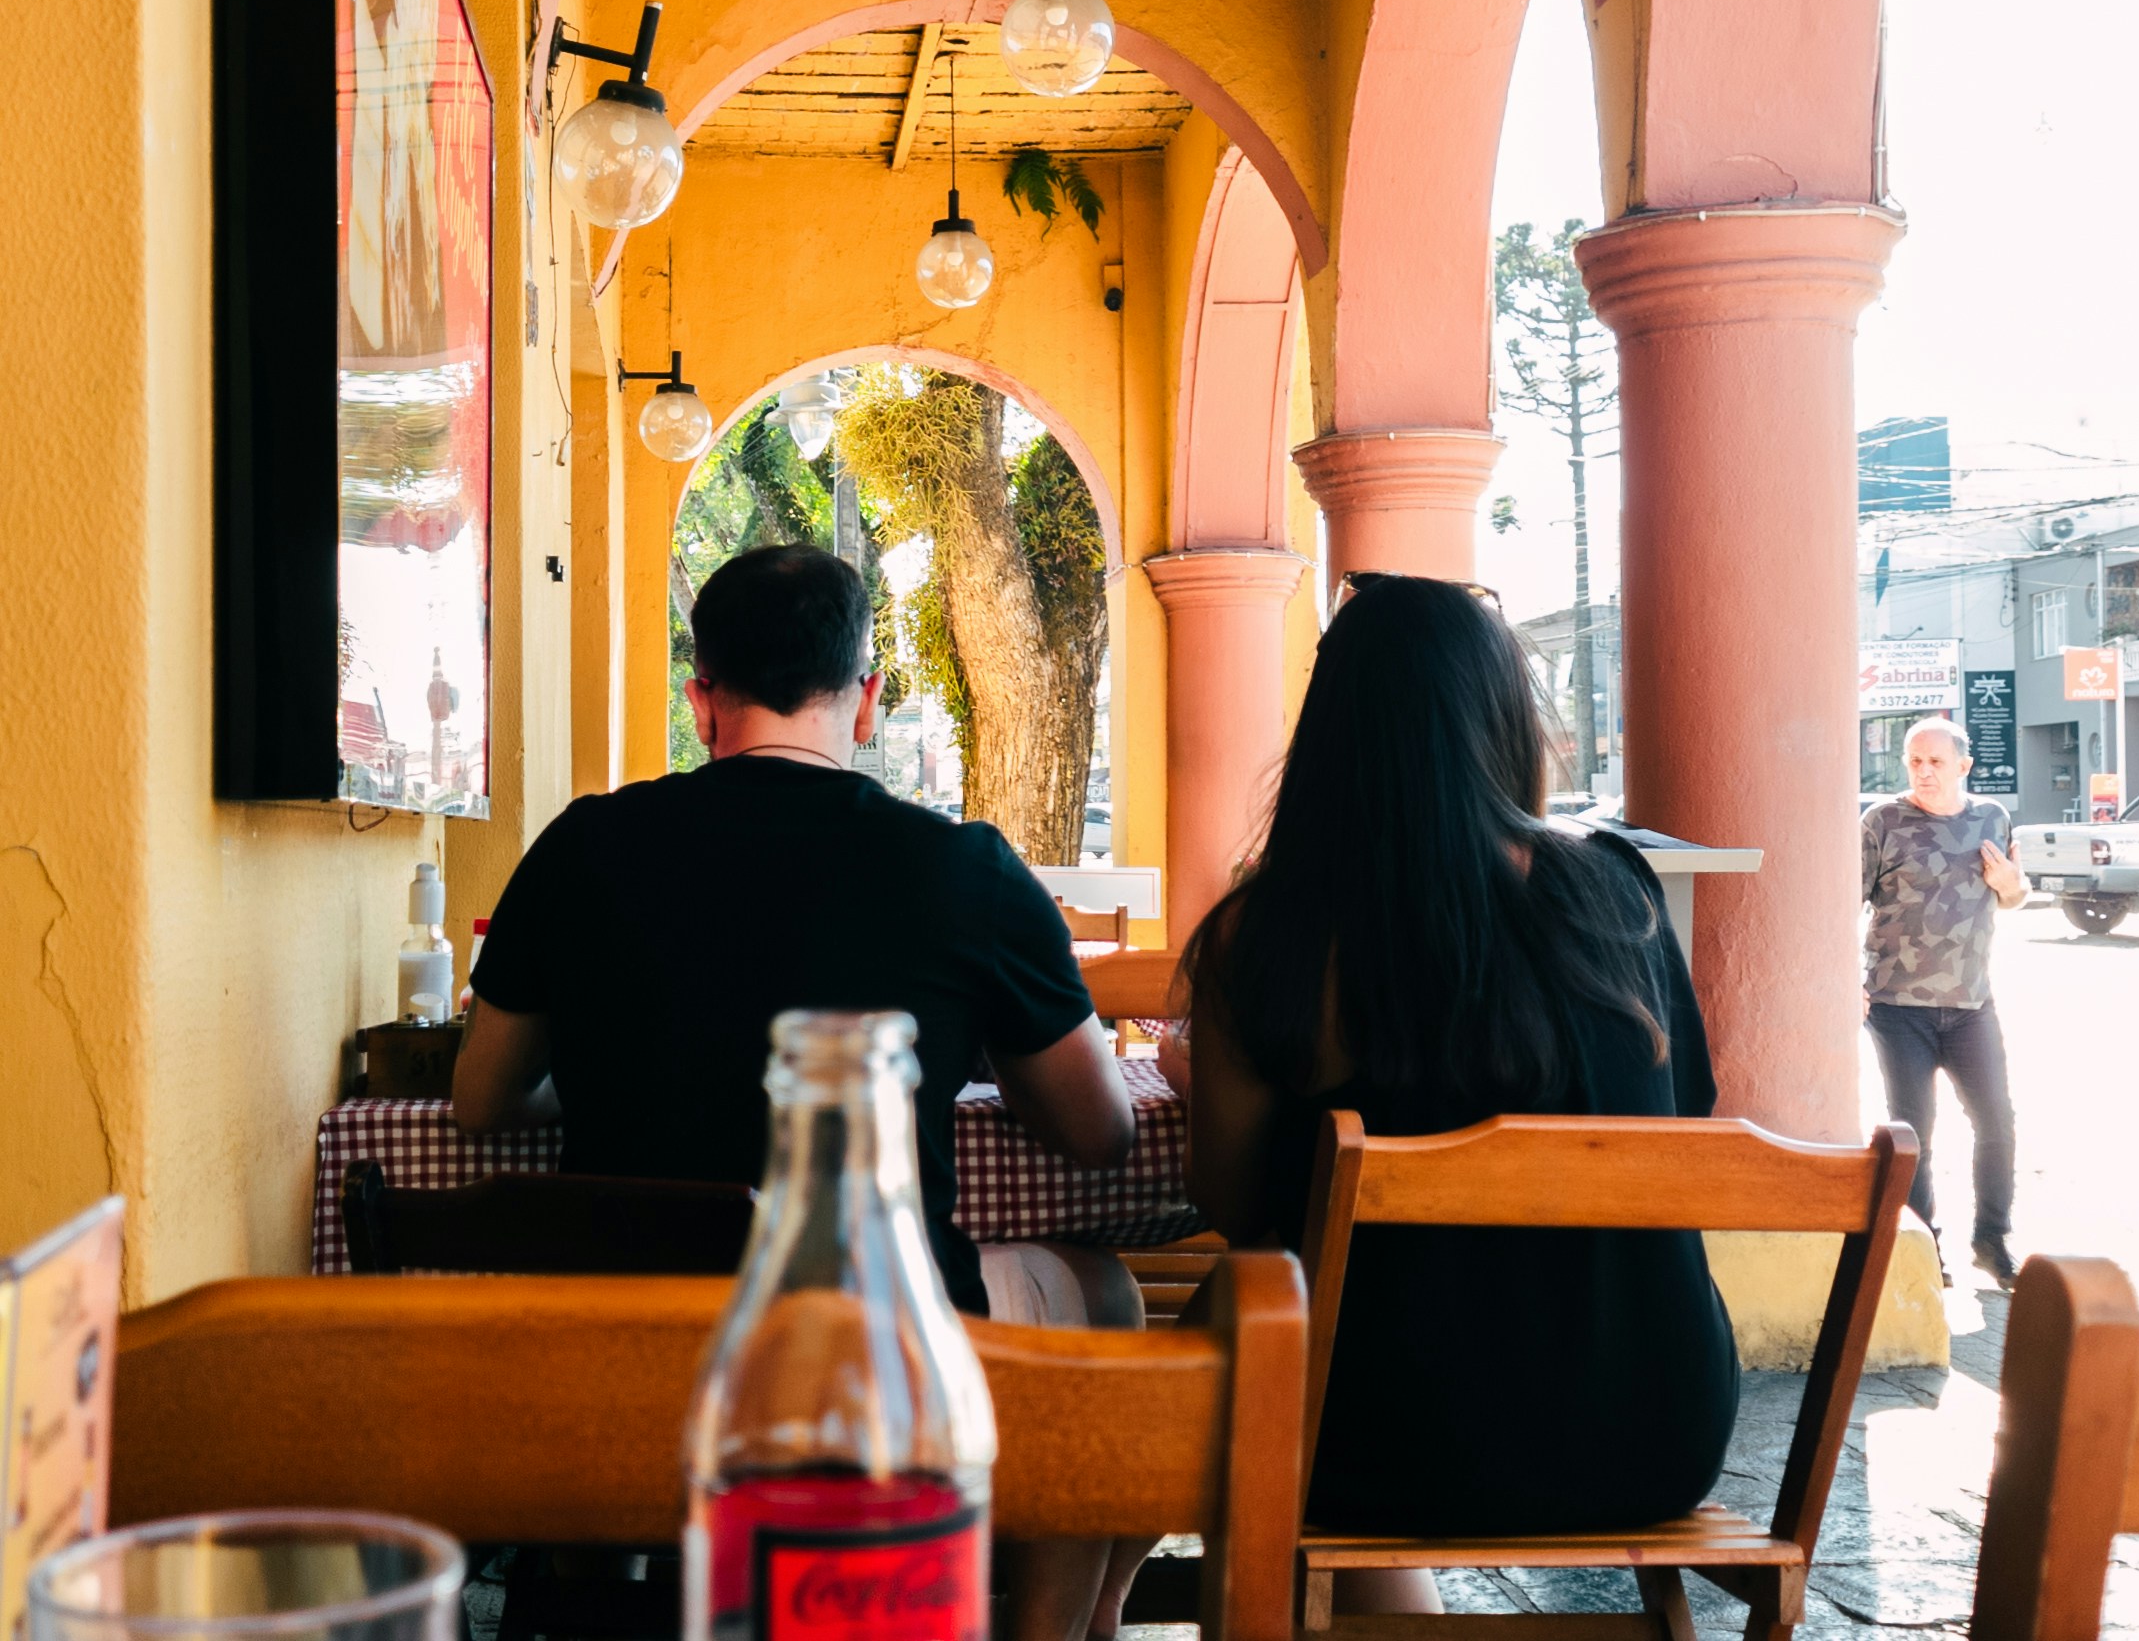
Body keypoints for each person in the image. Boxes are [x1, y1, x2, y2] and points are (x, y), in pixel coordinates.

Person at [455, 543, 1145, 1641]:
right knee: (1104, 1299)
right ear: (867, 698)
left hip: (619, 1354)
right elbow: (1095, 1130)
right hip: (877, 1355)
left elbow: (484, 1101)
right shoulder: (963, 869)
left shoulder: (583, 845)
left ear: (701, 697)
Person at [1175, 575, 1738, 1606]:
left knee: (1240, 1313)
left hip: (1381, 1450)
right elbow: (1679, 1120)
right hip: (1656, 1429)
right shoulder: (1615, 893)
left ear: (1328, 733)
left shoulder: (1271, 937)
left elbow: (1229, 1205)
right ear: (1500, 719)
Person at [1860, 715, 2028, 1290]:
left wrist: (2010, 885)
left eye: (1935, 762)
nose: (1924, 772)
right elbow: (1845, 901)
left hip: (1970, 1003)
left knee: (1997, 1121)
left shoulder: (1992, 818)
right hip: (1896, 1005)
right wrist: (1846, 980)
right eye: (1914, 761)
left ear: (1963, 765)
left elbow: (2013, 894)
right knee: (1914, 1130)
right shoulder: (1882, 822)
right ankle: (1923, 1246)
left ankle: (1992, 1238)